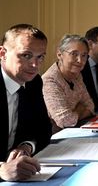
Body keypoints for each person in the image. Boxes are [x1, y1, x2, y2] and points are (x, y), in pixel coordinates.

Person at [0, 24, 52, 181]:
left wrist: (26, 146)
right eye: (26, 55)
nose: (35, 65)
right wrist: (1, 170)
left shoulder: (34, 82)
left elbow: (43, 129)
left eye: (40, 57)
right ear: (2, 54)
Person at [42, 34, 95, 134]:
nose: (80, 60)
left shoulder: (77, 75)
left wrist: (74, 113)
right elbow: (64, 121)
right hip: (54, 138)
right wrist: (80, 110)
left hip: (77, 130)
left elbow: (90, 106)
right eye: (74, 54)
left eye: (84, 55)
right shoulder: (50, 80)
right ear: (59, 54)